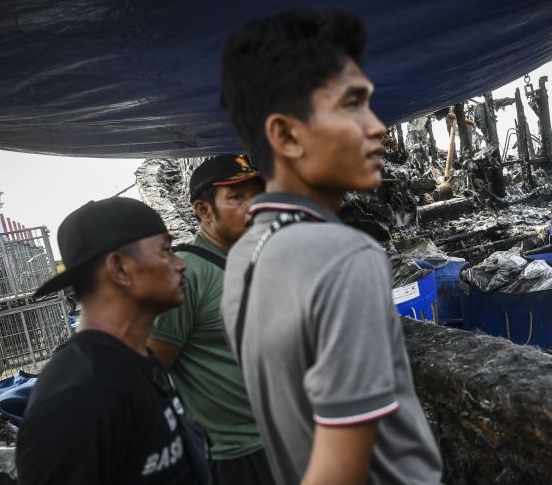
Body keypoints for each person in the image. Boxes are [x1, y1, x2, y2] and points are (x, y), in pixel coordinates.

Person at [219, 8, 443, 485]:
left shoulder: (244, 255)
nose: (377, 125)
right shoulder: (344, 257)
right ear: (286, 135)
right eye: (352, 105)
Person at [16, 197, 206, 484]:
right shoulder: (78, 395)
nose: (180, 264)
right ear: (119, 269)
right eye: (166, 251)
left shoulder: (137, 359)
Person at [147, 154, 273, 484]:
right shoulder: (187, 275)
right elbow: (152, 371)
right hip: (238, 455)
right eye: (237, 197)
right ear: (204, 210)